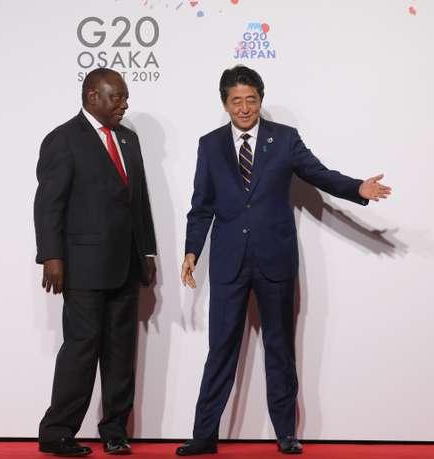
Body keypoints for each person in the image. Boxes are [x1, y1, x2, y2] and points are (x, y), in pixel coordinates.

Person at [176, 65, 391, 456]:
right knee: (221, 350)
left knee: (280, 349)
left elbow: (319, 174)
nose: (244, 108)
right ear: (225, 103)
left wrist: (357, 188)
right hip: (228, 263)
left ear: (261, 99)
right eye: (236, 101)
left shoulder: (285, 139)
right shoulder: (210, 145)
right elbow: (201, 205)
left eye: (251, 99)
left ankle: (286, 433)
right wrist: (192, 251)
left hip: (275, 260)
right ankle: (204, 435)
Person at [34, 68, 157, 457]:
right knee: (81, 350)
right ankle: (57, 432)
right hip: (82, 267)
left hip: (126, 265)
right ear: (92, 96)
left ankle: (115, 430)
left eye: (125, 97)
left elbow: (139, 200)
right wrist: (51, 256)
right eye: (117, 97)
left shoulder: (129, 139)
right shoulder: (63, 139)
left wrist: (147, 251)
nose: (124, 104)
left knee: (121, 353)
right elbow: (48, 205)